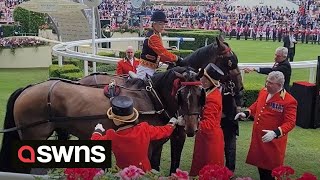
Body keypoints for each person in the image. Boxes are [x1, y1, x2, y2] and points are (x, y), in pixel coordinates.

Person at [91, 96, 182, 172]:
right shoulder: (144, 129)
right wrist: (171, 124)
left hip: (123, 173)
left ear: (116, 120)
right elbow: (163, 131)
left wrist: (97, 131)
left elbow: (96, 142)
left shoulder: (112, 136)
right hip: (145, 172)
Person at [235, 71, 297, 180]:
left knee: (270, 173)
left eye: (270, 83)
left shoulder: (289, 101)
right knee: (261, 169)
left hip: (273, 143)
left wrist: (275, 133)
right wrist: (247, 112)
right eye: (267, 81)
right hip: (259, 140)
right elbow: (257, 104)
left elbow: (290, 122)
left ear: (279, 85)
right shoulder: (263, 92)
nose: (267, 84)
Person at [189, 63, 225, 176]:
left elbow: (209, 123)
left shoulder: (213, 98)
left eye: (204, 77)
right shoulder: (209, 92)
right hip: (205, 136)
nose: (201, 79)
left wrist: (192, 123)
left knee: (209, 171)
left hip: (210, 139)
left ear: (209, 81)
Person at [137, 11, 183, 79]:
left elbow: (160, 53)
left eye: (164, 24)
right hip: (145, 70)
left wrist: (169, 56)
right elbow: (163, 53)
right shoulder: (153, 37)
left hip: (152, 69)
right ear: (154, 24)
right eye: (160, 24)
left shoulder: (157, 34)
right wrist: (177, 58)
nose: (163, 26)